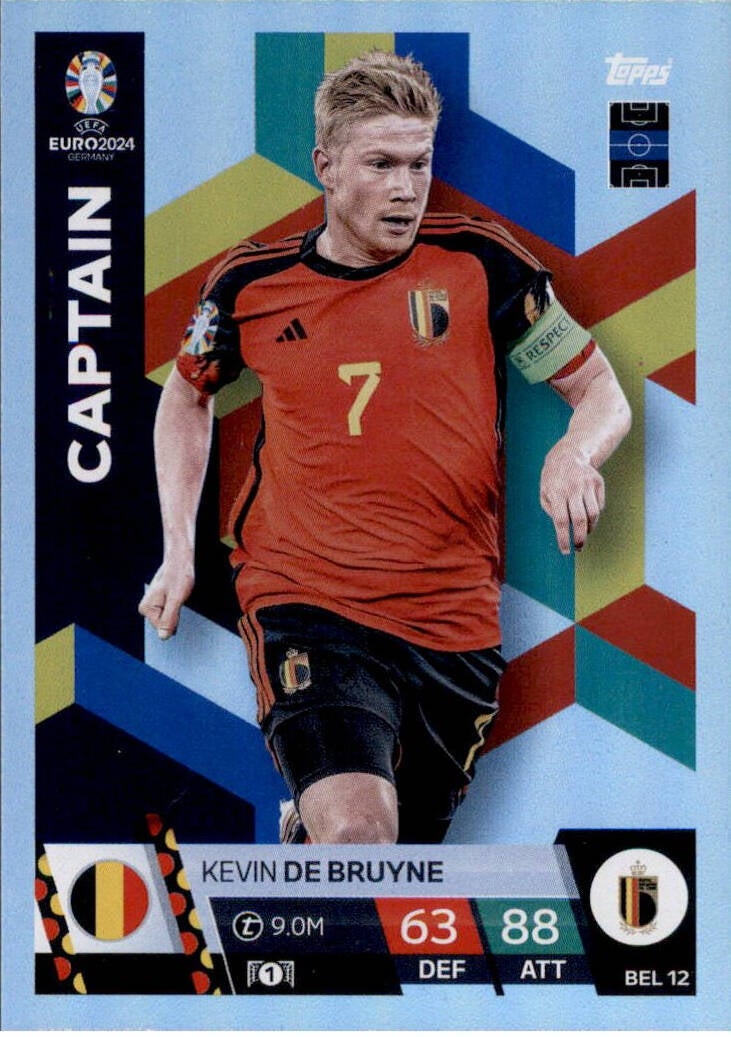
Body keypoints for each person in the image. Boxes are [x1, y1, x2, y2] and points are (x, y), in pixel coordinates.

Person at [139, 51, 631, 845]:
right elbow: (187, 394)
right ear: (326, 167)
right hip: (305, 597)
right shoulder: (249, 285)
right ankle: (328, 829)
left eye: (419, 162)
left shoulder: (482, 263)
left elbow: (600, 391)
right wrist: (176, 551)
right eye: (380, 164)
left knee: (402, 865)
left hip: (454, 622)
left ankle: (310, 834)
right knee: (361, 834)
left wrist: (574, 452)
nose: (406, 188)